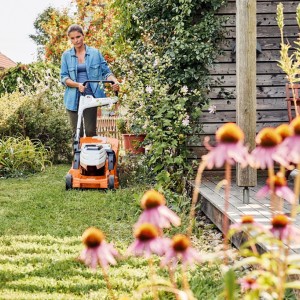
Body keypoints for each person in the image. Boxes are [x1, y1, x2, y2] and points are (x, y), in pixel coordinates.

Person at [60, 24, 119, 137]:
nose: (76, 40)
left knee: (90, 131)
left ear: (83, 35)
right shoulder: (66, 56)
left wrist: (114, 81)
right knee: (77, 134)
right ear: (70, 39)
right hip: (73, 99)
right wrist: (77, 85)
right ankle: (77, 154)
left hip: (90, 97)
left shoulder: (95, 53)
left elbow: (106, 72)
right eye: (72, 38)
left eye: (78, 37)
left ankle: (90, 154)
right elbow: (64, 78)